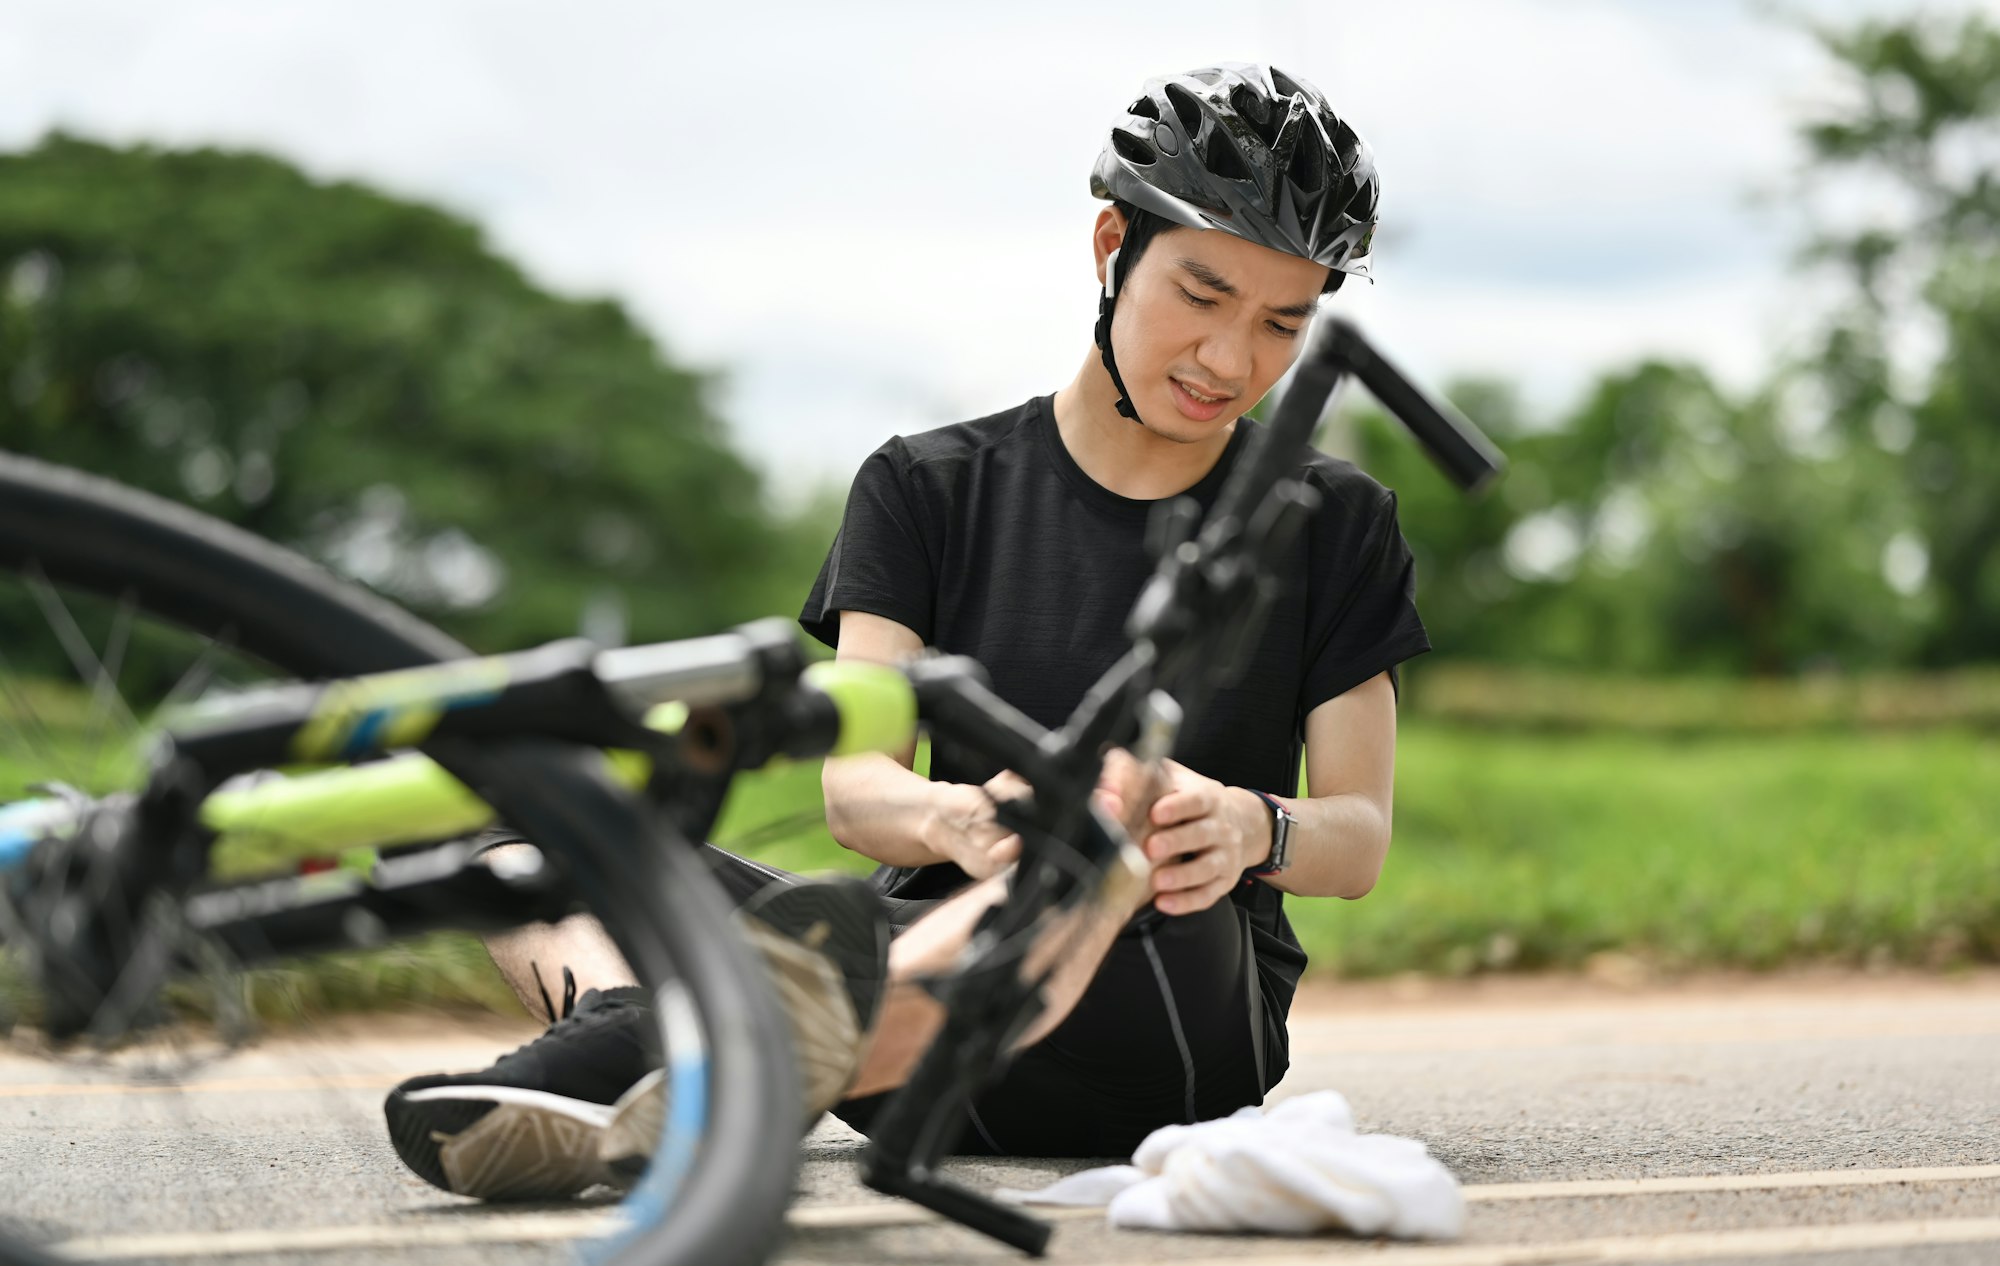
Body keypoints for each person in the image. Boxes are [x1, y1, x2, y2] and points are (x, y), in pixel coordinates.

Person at [384, 61, 1427, 1200]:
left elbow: (1356, 834)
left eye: (1283, 322)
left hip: (1167, 1014)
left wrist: (1245, 823)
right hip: (910, 1004)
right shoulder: (925, 487)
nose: (1231, 359)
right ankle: (632, 1033)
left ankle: (710, 1048)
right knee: (516, 799)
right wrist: (967, 818)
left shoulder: (1336, 522)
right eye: (1200, 293)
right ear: (1110, 245)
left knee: (1120, 802)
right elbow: (858, 794)